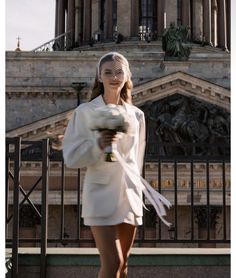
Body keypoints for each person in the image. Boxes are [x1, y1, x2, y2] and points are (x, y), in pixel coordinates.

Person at [63, 52, 171, 278]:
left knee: (123, 266)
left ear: (128, 76)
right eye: (108, 72)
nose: (114, 77)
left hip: (128, 196)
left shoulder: (137, 115)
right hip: (100, 193)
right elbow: (71, 158)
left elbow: (136, 160)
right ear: (99, 77)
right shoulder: (85, 112)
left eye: (119, 72)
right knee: (112, 263)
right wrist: (98, 145)